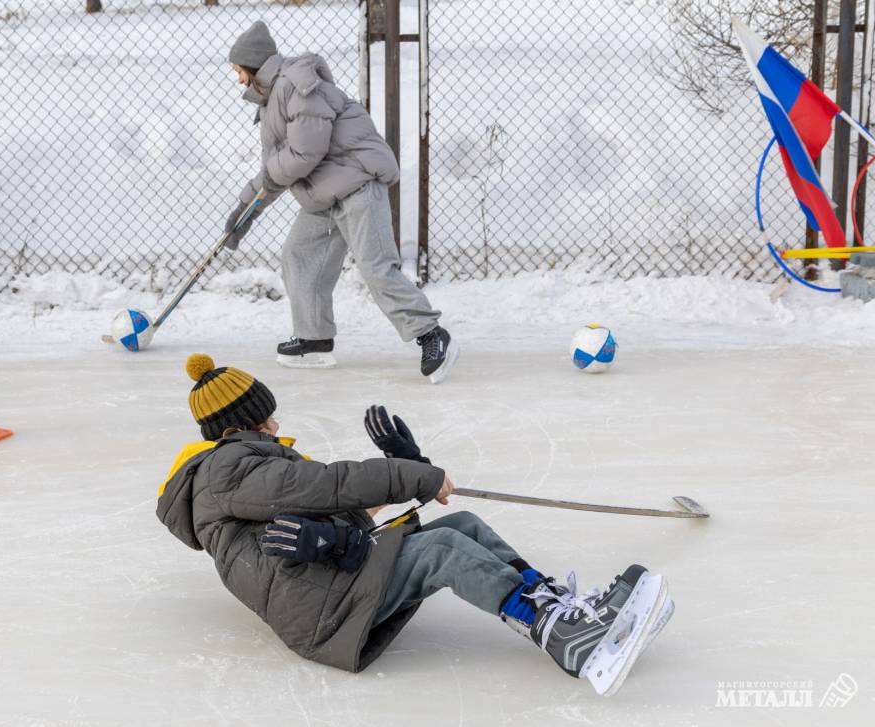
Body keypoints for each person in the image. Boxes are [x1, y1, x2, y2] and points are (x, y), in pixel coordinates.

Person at [156, 354, 674, 695]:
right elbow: (330, 486)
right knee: (440, 549)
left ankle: (553, 606)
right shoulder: (228, 468)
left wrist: (406, 467)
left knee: (462, 524)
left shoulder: (242, 471)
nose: (275, 424)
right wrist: (415, 477)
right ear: (236, 427)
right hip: (318, 609)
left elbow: (343, 515)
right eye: (264, 418)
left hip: (320, 583)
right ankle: (562, 636)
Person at [220, 21, 458, 384]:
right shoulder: (272, 101)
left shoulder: (297, 84)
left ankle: (431, 334)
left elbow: (305, 153)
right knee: (299, 256)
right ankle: (314, 338)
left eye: (239, 70)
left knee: (377, 268)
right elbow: (274, 170)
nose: (238, 79)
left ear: (254, 66)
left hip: (357, 185)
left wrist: (263, 187)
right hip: (323, 196)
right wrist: (245, 211)